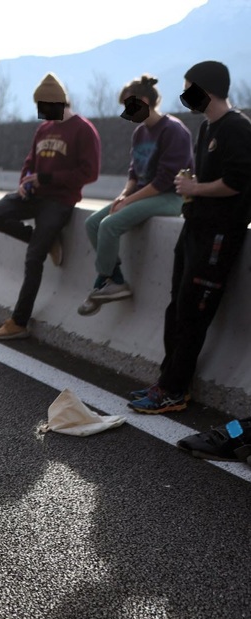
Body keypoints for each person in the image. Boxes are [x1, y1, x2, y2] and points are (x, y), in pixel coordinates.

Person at [128, 61, 251, 414]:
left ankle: (175, 390)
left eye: (188, 88)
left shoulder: (237, 128)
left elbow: (237, 182)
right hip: (194, 226)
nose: (184, 95)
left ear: (206, 89)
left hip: (219, 235)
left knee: (194, 314)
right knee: (177, 306)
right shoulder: (206, 128)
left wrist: (196, 187)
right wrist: (190, 188)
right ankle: (166, 382)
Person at [0, 73, 101, 339]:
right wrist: (24, 181)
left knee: (34, 258)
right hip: (33, 196)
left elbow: (89, 173)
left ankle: (19, 322)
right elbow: (30, 161)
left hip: (59, 201)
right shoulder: (44, 128)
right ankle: (42, 240)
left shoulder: (83, 129)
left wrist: (47, 178)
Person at [78, 75, 193, 316]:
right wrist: (123, 196)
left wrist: (129, 201)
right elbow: (134, 172)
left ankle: (102, 283)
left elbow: (164, 181)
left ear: (143, 101)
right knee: (92, 223)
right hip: (143, 194)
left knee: (109, 225)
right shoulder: (140, 133)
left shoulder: (173, 130)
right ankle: (115, 280)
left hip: (169, 197)